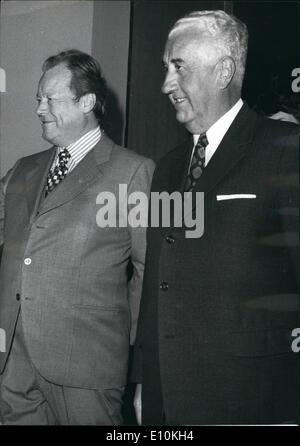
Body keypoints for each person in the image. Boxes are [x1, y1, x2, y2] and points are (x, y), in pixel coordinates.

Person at [132, 10, 299, 425]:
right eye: (166, 68)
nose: (166, 84)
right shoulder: (168, 168)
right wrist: (143, 381)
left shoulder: (285, 149)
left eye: (179, 67)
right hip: (167, 397)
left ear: (224, 71)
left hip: (252, 399)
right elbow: (157, 281)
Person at [0, 49, 155, 425]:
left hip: (87, 365)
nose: (39, 108)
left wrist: (122, 337)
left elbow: (149, 270)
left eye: (49, 99)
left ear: (86, 101)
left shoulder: (132, 172)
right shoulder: (24, 169)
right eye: (38, 98)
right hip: (14, 364)